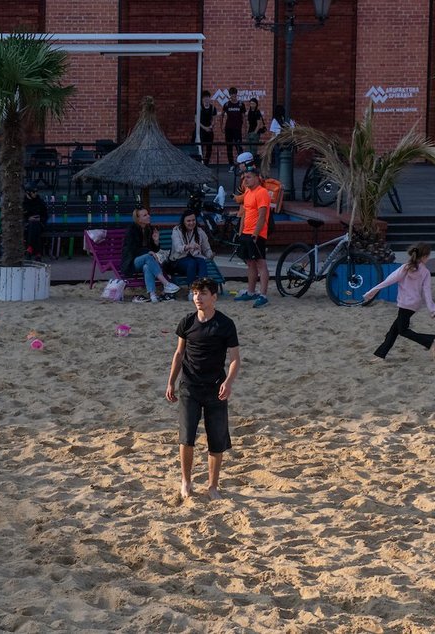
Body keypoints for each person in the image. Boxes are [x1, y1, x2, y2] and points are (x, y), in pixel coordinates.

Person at [166, 277, 241, 500]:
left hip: (216, 388)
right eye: (195, 293)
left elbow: (235, 359)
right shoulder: (187, 322)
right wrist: (171, 382)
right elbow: (179, 354)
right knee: (186, 436)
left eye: (203, 293)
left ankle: (212, 486)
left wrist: (228, 382)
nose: (197, 297)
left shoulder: (225, 324)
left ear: (214, 297)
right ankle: (186, 482)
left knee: (216, 439)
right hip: (189, 387)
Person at [363, 243, 435, 361]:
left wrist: (372, 291)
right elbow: (427, 292)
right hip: (414, 305)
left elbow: (389, 280)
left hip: (405, 304)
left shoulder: (405, 268)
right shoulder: (425, 272)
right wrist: (431, 309)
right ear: (424, 256)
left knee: (402, 330)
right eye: (428, 256)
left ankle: (429, 341)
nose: (428, 259)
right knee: (393, 331)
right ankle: (380, 355)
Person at [120, 207, 181, 303]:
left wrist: (156, 241)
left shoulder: (149, 229)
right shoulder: (131, 230)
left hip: (145, 261)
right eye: (145, 215)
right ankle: (166, 283)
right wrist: (148, 252)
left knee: (147, 267)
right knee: (148, 257)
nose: (148, 216)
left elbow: (153, 250)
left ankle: (152, 295)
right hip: (131, 262)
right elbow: (132, 250)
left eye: (148, 214)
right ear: (138, 219)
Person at [234, 166, 271, 308]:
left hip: (257, 233)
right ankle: (251, 291)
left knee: (261, 263)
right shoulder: (248, 192)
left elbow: (262, 215)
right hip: (246, 232)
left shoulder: (262, 192)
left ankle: (263, 295)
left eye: (248, 177)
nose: (245, 180)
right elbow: (245, 213)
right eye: (244, 177)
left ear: (257, 178)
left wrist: (255, 233)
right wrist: (240, 231)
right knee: (250, 262)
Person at [170, 209, 214, 288]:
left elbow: (206, 249)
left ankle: (202, 287)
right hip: (179, 261)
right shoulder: (176, 231)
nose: (191, 223)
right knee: (192, 263)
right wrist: (189, 246)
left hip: (195, 258)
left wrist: (210, 254)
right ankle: (192, 289)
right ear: (184, 222)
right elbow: (178, 248)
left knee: (202, 261)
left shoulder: (199, 231)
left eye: (193, 220)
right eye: (188, 221)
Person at [220, 87, 246, 172]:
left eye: (234, 95)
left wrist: (245, 129)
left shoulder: (241, 104)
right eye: (231, 95)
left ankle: (241, 166)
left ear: (236, 94)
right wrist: (221, 126)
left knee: (239, 147)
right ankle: (231, 165)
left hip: (237, 129)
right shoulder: (227, 104)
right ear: (230, 95)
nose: (233, 96)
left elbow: (244, 117)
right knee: (229, 147)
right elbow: (222, 115)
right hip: (228, 129)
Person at [23, 182, 48, 260]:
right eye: (33, 192)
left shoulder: (39, 201)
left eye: (36, 191)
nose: (35, 193)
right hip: (27, 225)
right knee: (32, 225)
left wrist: (40, 219)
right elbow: (20, 215)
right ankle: (38, 252)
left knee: (34, 224)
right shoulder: (23, 202)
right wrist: (28, 219)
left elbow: (45, 215)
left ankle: (30, 248)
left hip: (39, 224)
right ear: (28, 192)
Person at [196, 90, 217, 166]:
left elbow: (214, 119)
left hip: (210, 131)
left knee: (209, 148)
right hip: (201, 131)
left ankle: (206, 164)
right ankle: (200, 164)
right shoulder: (199, 108)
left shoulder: (213, 108)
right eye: (204, 97)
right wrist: (204, 128)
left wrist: (211, 126)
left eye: (207, 97)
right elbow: (196, 120)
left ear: (209, 98)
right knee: (200, 147)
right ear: (202, 99)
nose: (206, 99)